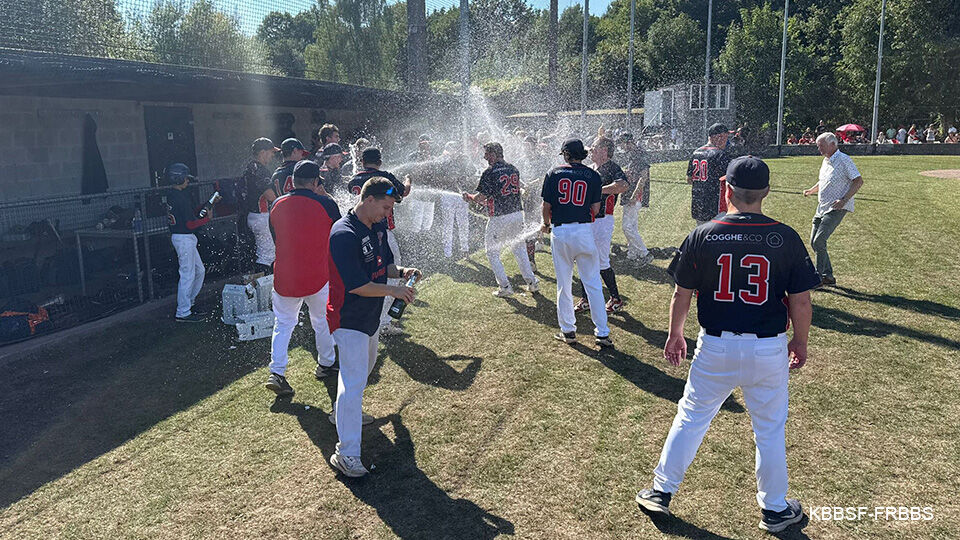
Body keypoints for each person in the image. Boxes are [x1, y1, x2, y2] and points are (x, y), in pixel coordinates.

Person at [635, 156, 819, 533]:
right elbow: (801, 300)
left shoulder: (704, 233)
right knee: (768, 429)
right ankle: (775, 509)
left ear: (727, 190)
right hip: (768, 348)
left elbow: (681, 293)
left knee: (691, 418)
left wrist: (674, 334)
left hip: (715, 346)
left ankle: (660, 490)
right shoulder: (783, 236)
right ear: (766, 191)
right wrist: (800, 341)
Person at [328, 177, 421, 478]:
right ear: (368, 200)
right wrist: (393, 291)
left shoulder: (377, 225)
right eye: (385, 206)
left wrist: (403, 273)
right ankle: (346, 454)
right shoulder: (343, 233)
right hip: (348, 318)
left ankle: (340, 414)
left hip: (369, 318)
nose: (387, 213)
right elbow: (356, 286)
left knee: (361, 374)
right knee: (354, 383)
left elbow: (383, 269)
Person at [264, 160, 343, 397]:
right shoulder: (325, 203)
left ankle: (277, 372)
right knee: (321, 321)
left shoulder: (277, 203)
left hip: (285, 276)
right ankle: (326, 364)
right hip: (317, 274)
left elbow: (276, 237)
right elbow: (339, 233)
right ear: (316, 182)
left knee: (283, 324)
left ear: (293, 181)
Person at [541, 139, 611, 347]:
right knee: (593, 284)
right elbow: (596, 209)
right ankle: (602, 332)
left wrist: (545, 224)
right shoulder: (593, 175)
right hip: (583, 231)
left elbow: (546, 206)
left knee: (564, 284)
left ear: (566, 154)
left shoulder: (553, 173)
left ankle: (568, 331)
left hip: (561, 231)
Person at [347, 147, 412, 336]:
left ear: (361, 161)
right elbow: (403, 192)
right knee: (390, 270)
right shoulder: (385, 178)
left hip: (359, 231)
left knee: (369, 272)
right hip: (381, 231)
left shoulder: (354, 179)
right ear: (380, 162)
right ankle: (384, 321)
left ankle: (376, 318)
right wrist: (408, 180)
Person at [462, 142, 539, 297]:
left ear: (494, 154)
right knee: (519, 249)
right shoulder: (513, 168)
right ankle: (532, 282)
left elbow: (481, 196)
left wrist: (469, 197)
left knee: (492, 252)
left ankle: (505, 287)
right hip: (517, 213)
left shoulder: (490, 171)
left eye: (487, 154)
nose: (484, 157)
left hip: (499, 217)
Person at [802, 132, 864, 286]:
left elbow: (858, 181)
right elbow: (823, 181)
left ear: (832, 144)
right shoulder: (826, 161)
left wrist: (844, 200)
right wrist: (811, 190)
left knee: (819, 240)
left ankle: (818, 278)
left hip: (837, 207)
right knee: (814, 242)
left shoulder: (844, 160)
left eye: (821, 145)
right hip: (821, 207)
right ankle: (828, 276)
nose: (819, 149)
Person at [573, 137, 627, 313]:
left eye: (594, 147)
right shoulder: (590, 168)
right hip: (587, 219)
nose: (590, 151)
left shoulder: (612, 167)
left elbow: (622, 185)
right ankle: (585, 299)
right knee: (583, 258)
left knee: (602, 261)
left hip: (603, 220)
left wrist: (598, 189)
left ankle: (616, 299)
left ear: (604, 150)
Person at [163, 163, 218, 323]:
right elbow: (189, 224)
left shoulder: (175, 194)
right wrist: (207, 219)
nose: (187, 181)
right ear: (178, 177)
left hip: (185, 237)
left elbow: (191, 215)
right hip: (183, 237)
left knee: (199, 271)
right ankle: (183, 312)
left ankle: (189, 303)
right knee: (187, 275)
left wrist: (208, 204)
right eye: (186, 178)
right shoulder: (178, 197)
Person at [243, 137, 279, 273]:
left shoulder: (249, 167)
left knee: (263, 253)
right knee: (267, 256)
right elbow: (270, 196)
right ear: (263, 152)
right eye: (271, 152)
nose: (272, 155)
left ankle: (261, 286)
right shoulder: (261, 170)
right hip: (261, 216)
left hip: (252, 215)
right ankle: (264, 289)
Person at [617, 133, 654, 266]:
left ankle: (644, 253)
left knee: (627, 227)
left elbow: (643, 177)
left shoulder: (639, 154)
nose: (621, 147)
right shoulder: (632, 154)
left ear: (628, 142)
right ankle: (632, 254)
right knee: (632, 226)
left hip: (635, 196)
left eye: (621, 144)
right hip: (629, 194)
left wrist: (634, 195)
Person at [687, 124, 731, 226]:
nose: (726, 141)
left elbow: (689, 179)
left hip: (698, 203)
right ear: (717, 137)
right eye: (725, 137)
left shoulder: (696, 153)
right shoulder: (721, 155)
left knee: (702, 235)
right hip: (715, 205)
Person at [439, 142, 472, 259]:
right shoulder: (443, 161)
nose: (453, 151)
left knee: (463, 223)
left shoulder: (463, 160)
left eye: (455, 149)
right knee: (448, 224)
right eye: (450, 149)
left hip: (461, 196)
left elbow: (470, 173)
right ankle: (447, 252)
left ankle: (465, 249)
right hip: (448, 196)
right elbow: (438, 177)